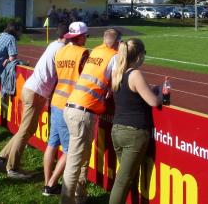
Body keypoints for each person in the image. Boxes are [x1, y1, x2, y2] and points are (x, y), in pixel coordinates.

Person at [0, 23, 72, 180]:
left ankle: (1, 159)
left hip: (32, 89)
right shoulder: (62, 49)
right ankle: (12, 168)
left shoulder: (54, 44)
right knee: (26, 131)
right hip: (37, 92)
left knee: (25, 129)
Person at [61, 28, 121, 203]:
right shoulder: (114, 56)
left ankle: (80, 195)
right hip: (83, 111)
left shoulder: (96, 51)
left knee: (83, 154)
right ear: (118, 42)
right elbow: (118, 82)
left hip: (73, 105)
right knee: (74, 161)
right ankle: (66, 199)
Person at [109, 38, 161, 204]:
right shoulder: (135, 74)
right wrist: (161, 92)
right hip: (134, 133)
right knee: (123, 179)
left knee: (129, 176)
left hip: (117, 129)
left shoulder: (117, 72)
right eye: (144, 54)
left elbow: (129, 95)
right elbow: (153, 101)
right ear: (139, 56)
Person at [42, 22, 90, 196]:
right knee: (71, 150)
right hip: (70, 103)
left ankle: (47, 182)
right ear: (82, 36)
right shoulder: (83, 53)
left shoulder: (60, 51)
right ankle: (51, 184)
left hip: (56, 99)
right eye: (86, 36)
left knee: (52, 144)